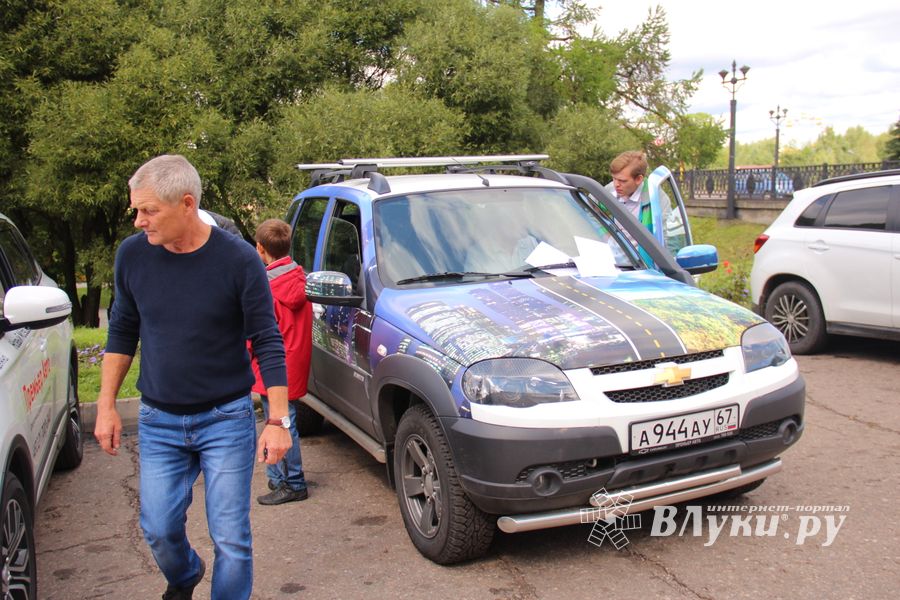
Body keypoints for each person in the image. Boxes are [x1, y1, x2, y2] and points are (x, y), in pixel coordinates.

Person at [94, 154, 292, 600]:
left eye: (148, 210)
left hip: (225, 419)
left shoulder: (239, 260)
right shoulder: (132, 255)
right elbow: (122, 330)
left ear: (186, 204)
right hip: (159, 420)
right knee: (159, 529)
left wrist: (277, 421)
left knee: (232, 540)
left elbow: (267, 339)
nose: (139, 220)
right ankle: (184, 577)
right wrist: (106, 405)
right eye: (136, 210)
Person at [250, 219, 312, 505]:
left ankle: (291, 482)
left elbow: (257, 332)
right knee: (287, 420)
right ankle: (282, 478)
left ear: (260, 249)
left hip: (273, 367)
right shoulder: (300, 278)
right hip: (296, 361)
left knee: (281, 423)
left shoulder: (265, 288)